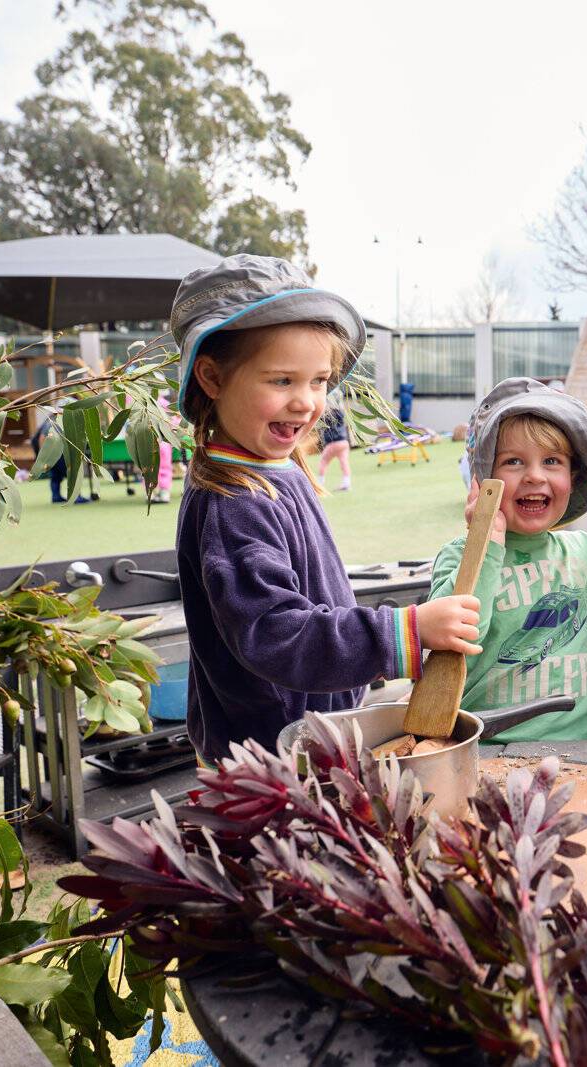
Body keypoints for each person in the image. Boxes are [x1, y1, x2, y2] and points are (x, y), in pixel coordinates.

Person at [170, 255, 484, 760]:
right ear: (212, 377)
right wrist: (406, 631)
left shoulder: (278, 470)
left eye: (318, 381)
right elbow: (276, 633)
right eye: (282, 381)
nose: (306, 401)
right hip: (269, 752)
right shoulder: (234, 502)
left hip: (309, 726)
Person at [428, 378, 587, 743]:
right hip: (490, 750)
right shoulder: (459, 556)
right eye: (513, 461)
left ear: (573, 477)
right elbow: (455, 637)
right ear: (484, 480)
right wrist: (485, 544)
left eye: (552, 461)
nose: (535, 475)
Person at [316, 392, 351, 491]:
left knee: (323, 462)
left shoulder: (328, 415)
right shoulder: (340, 413)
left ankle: (320, 484)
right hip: (343, 442)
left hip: (333, 442)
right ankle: (346, 483)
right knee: (344, 462)